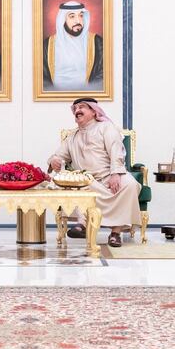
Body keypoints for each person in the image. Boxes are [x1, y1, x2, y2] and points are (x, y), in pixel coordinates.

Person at [47, 98, 141, 247]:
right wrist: (53, 161)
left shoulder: (106, 127)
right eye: (75, 108)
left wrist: (115, 174)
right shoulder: (72, 137)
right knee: (72, 186)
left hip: (108, 176)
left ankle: (115, 233)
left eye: (82, 107)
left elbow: (116, 151)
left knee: (130, 185)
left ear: (93, 111)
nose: (77, 110)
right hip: (85, 180)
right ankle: (82, 225)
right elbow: (57, 155)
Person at [43, 1, 103, 90]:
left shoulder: (97, 42)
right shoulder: (48, 44)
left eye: (81, 15)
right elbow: (42, 77)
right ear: (62, 20)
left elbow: (103, 74)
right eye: (72, 16)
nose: (78, 21)